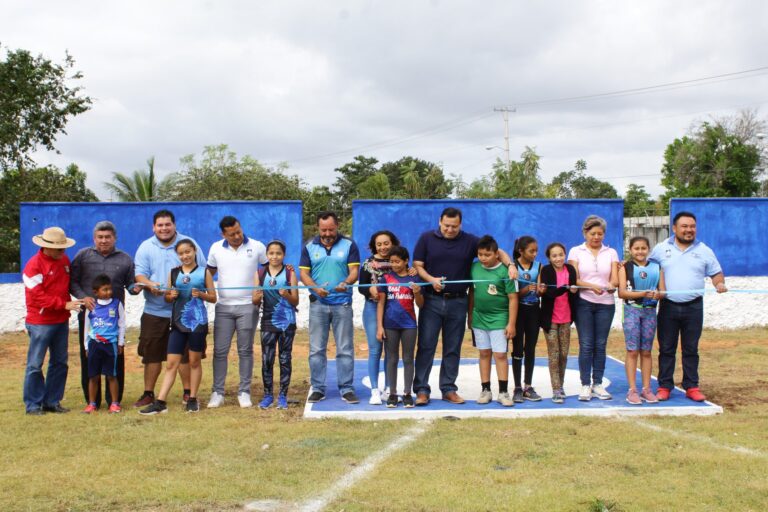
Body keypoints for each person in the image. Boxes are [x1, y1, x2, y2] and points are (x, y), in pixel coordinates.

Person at [412, 207, 517, 406]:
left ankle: (449, 388)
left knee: (452, 348)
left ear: (460, 224)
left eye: (454, 226)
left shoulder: (470, 241)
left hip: (459, 301)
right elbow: (418, 265)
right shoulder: (426, 238)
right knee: (426, 346)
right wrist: (430, 279)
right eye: (446, 225)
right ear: (439, 222)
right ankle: (422, 390)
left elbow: (496, 250)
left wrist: (510, 264)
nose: (450, 229)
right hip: (432, 301)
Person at [650, 211, 727, 402]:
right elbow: (646, 268)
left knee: (691, 349)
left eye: (692, 226)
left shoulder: (705, 250)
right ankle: (664, 386)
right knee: (666, 348)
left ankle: (691, 386)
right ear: (674, 228)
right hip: (667, 306)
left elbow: (716, 273)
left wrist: (719, 284)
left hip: (694, 307)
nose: (689, 230)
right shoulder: (661, 249)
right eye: (684, 226)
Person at [133, 210, 206, 408]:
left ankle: (188, 393)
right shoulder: (145, 247)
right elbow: (139, 274)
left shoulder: (188, 244)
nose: (164, 228)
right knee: (152, 354)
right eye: (160, 225)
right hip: (155, 311)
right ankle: (149, 393)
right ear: (153, 227)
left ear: (174, 225)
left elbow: (202, 271)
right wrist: (149, 284)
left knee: (185, 356)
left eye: (168, 224)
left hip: (185, 314)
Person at [140, 240, 216, 414]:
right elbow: (167, 297)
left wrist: (202, 295)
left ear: (194, 251)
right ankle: (160, 402)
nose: (185, 256)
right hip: (177, 324)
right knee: (171, 364)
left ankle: (193, 398)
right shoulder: (174, 273)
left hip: (197, 324)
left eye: (188, 252)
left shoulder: (204, 272)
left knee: (194, 361)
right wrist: (170, 295)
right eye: (181, 253)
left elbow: (213, 297)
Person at [70, 220, 136, 410]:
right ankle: (92, 401)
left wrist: (137, 287)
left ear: (115, 238)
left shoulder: (125, 259)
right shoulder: (83, 256)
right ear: (94, 238)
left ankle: (114, 400)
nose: (104, 241)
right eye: (100, 237)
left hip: (113, 320)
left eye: (108, 237)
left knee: (115, 359)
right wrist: (83, 298)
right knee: (89, 357)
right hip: (90, 317)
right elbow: (72, 281)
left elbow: (131, 286)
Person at [300, 211, 361, 404]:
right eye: (323, 230)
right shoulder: (309, 246)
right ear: (318, 227)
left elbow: (354, 272)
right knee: (316, 349)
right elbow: (304, 274)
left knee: (345, 348)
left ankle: (347, 388)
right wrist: (315, 289)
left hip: (342, 304)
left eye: (331, 229)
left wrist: (345, 282)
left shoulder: (349, 245)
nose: (327, 234)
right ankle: (317, 388)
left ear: (338, 226)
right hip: (318, 305)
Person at [206, 216, 267, 409]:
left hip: (248, 306)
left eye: (239, 231)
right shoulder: (216, 248)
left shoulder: (257, 246)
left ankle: (244, 391)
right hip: (223, 307)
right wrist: (208, 292)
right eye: (232, 234)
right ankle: (217, 392)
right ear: (223, 234)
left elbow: (268, 269)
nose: (237, 236)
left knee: (245, 350)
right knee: (220, 351)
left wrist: (259, 291)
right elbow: (208, 273)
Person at [23, 227, 83, 415]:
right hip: (40, 322)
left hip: (60, 321)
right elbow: (37, 297)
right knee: (35, 364)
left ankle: (52, 401)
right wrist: (63, 304)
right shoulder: (33, 266)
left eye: (63, 248)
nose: (63, 252)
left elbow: (69, 283)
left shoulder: (63, 260)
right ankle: (33, 404)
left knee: (60, 362)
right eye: (59, 249)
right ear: (46, 247)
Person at [568, 215, 619, 402]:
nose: (596, 237)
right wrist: (591, 286)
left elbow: (614, 277)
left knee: (600, 344)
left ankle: (598, 383)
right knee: (587, 344)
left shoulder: (611, 252)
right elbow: (573, 278)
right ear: (585, 233)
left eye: (600, 234)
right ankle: (585, 385)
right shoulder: (576, 251)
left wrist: (612, 285)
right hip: (584, 302)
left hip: (606, 304)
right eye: (592, 233)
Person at [467, 236, 518, 407]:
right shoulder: (474, 268)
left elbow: (513, 298)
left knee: (500, 355)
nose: (483, 258)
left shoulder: (506, 271)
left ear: (497, 254)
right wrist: (470, 315)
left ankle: (503, 392)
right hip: (479, 319)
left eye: (487, 254)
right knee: (484, 354)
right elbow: (472, 293)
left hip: (499, 319)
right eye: (480, 254)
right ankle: (485, 389)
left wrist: (511, 323)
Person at [358, 230, 405, 404]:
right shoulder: (368, 263)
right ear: (374, 246)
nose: (383, 247)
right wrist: (369, 289)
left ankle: (389, 389)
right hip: (372, 309)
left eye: (386, 243)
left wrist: (413, 270)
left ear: (393, 243)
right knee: (375, 349)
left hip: (393, 309)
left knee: (391, 351)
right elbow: (361, 287)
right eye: (379, 244)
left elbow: (407, 276)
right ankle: (374, 390)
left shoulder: (398, 261)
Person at [619, 236, 665, 405]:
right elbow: (622, 293)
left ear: (648, 250)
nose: (640, 251)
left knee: (646, 351)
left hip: (650, 312)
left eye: (643, 248)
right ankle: (632, 390)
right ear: (630, 250)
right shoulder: (625, 267)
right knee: (632, 351)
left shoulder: (657, 267)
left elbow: (663, 291)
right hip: (631, 311)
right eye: (636, 248)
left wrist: (657, 294)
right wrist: (642, 294)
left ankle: (646, 389)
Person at [253, 240, 299, 410]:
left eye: (278, 253)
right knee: (267, 359)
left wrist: (286, 294)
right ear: (266, 255)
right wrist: (257, 297)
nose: (274, 256)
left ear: (283, 255)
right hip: (267, 321)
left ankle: (282, 396)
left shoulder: (289, 273)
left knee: (285, 358)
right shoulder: (260, 272)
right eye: (271, 253)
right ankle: (267, 395)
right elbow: (254, 300)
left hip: (287, 322)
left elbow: (296, 300)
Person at [376, 246, 423, 408]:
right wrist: (379, 327)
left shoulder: (414, 279)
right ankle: (393, 393)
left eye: (397, 261)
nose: (394, 265)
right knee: (392, 358)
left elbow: (420, 304)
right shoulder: (386, 278)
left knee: (408, 358)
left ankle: (408, 393)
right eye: (392, 261)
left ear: (406, 261)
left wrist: (417, 292)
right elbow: (381, 303)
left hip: (409, 324)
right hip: (390, 325)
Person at [539, 243, 578, 404]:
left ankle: (561, 385)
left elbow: (574, 289)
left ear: (565, 254)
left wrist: (574, 290)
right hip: (550, 319)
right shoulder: (546, 271)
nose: (558, 258)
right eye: (554, 256)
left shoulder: (570, 270)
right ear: (549, 258)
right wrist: (566, 288)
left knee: (563, 354)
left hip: (566, 318)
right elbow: (549, 293)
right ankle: (556, 388)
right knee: (554, 354)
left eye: (561, 254)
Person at [82, 274, 126, 414]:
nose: (108, 292)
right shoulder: (91, 306)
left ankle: (114, 403)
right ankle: (92, 403)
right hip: (95, 344)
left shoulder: (117, 304)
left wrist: (120, 342)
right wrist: (86, 345)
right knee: (93, 376)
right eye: (104, 290)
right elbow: (86, 327)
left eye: (109, 289)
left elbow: (122, 324)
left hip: (111, 345)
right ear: (96, 292)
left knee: (112, 375)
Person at [512, 235, 543, 403]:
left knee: (530, 348)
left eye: (536, 251)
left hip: (534, 311)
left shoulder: (539, 266)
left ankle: (528, 386)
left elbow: (539, 291)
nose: (535, 254)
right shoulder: (512, 267)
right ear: (521, 251)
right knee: (517, 349)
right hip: (518, 311)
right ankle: (517, 387)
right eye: (531, 251)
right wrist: (525, 290)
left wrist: (540, 290)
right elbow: (512, 294)